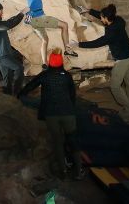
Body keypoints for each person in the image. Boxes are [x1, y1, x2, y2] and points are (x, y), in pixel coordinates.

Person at [18, 49, 85, 180]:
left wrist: (20, 95)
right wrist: (71, 107)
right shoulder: (66, 76)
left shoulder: (45, 75)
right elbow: (72, 95)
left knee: (58, 142)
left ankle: (63, 171)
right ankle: (79, 171)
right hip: (67, 113)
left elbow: (30, 86)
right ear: (61, 63)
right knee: (72, 140)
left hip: (51, 114)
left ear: (50, 63)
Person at [73, 3, 129, 121]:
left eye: (102, 17)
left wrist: (78, 44)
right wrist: (89, 10)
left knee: (115, 86)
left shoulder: (111, 33)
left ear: (107, 19)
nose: (101, 18)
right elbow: (102, 15)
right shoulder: (119, 20)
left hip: (122, 60)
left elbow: (97, 43)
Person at [26, 0, 78, 67]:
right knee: (64, 25)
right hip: (38, 18)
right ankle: (68, 49)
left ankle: (45, 63)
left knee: (45, 40)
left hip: (33, 21)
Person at [0, 1, 29, 96]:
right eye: (1, 11)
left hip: (3, 54)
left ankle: (7, 96)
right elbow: (8, 25)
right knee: (19, 68)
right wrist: (22, 13)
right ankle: (18, 93)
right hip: (1, 55)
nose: (2, 13)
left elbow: (8, 22)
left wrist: (17, 15)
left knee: (8, 77)